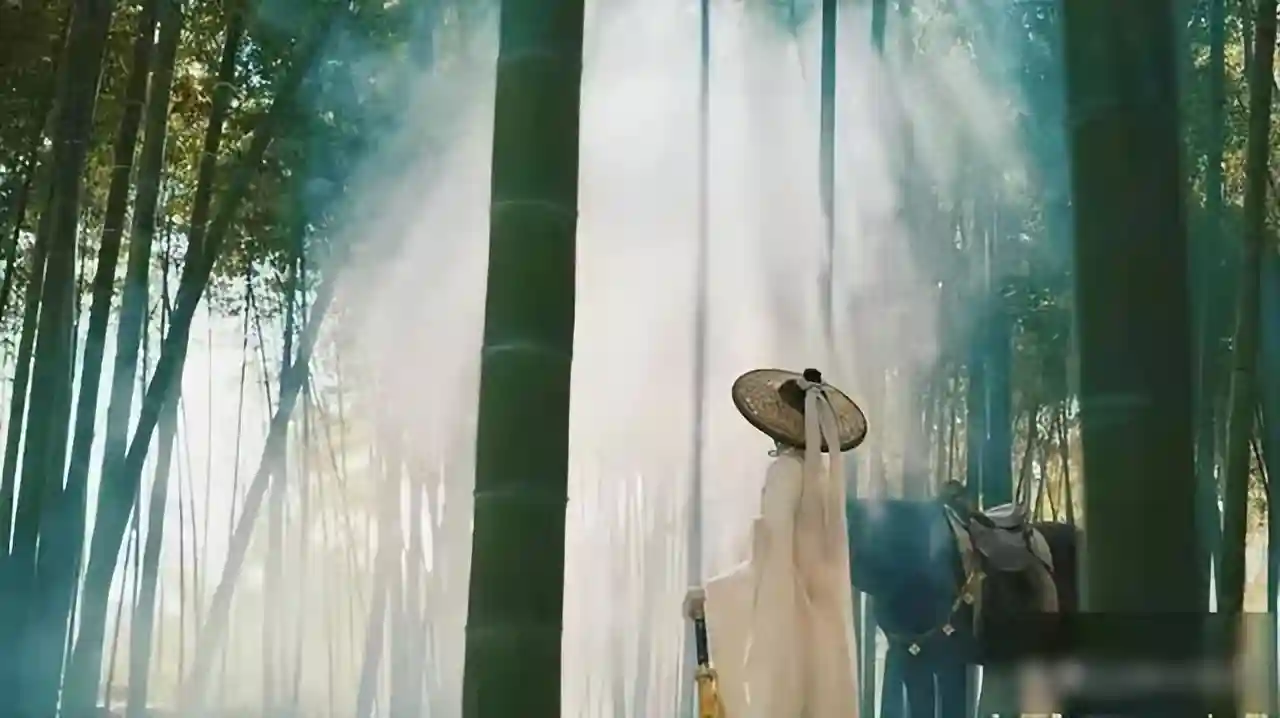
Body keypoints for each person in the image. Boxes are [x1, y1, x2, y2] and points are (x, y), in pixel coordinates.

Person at [685, 368, 867, 718]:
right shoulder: (822, 479)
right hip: (823, 631)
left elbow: (772, 558)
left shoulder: (785, 472)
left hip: (789, 622)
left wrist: (712, 595)